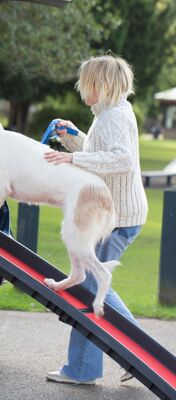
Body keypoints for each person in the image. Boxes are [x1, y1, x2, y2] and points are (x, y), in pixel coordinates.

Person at [43, 54, 148, 385]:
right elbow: (97, 151)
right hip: (115, 214)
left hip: (118, 217)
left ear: (100, 85)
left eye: (84, 82)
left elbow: (121, 160)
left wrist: (71, 155)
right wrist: (73, 138)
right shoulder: (110, 115)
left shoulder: (114, 117)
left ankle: (130, 354)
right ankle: (89, 366)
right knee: (89, 284)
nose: (79, 88)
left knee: (90, 284)